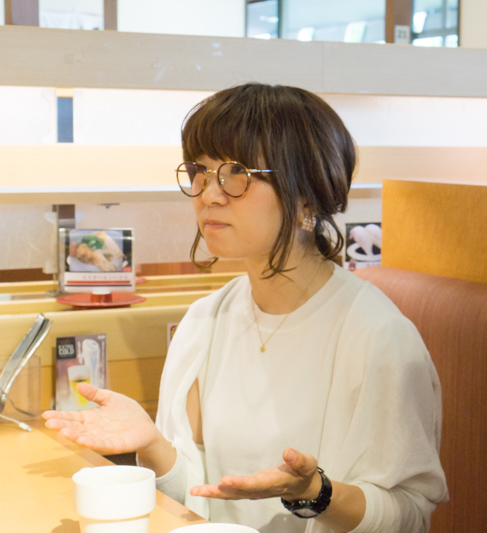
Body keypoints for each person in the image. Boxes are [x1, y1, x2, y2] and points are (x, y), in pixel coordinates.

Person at [44, 83, 448, 533]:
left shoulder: (378, 336)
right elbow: (200, 497)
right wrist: (153, 445)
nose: (208, 194)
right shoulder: (205, 320)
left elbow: (409, 514)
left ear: (306, 195)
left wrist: (315, 492)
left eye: (235, 173)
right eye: (200, 171)